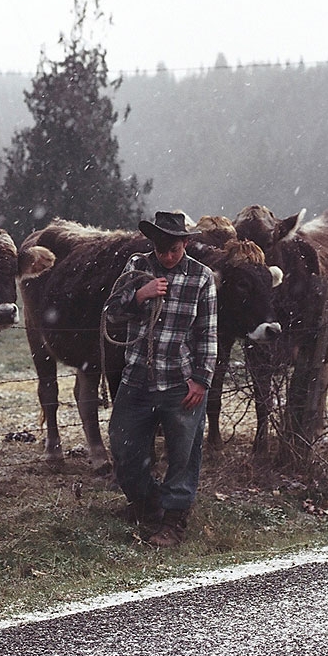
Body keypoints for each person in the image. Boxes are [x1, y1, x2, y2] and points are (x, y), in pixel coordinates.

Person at [104, 210, 218, 548]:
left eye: (174, 249)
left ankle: (173, 519)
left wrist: (201, 379)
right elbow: (111, 313)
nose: (167, 256)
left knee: (183, 453)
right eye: (161, 249)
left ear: (186, 244)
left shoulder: (201, 277)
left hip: (180, 382)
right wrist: (140, 295)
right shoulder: (137, 266)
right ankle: (149, 502)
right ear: (152, 244)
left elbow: (207, 333)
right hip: (137, 376)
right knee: (123, 448)